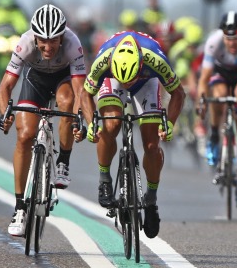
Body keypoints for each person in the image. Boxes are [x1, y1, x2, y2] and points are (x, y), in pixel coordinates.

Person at [79, 31, 186, 239]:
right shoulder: (104, 60)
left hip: (147, 82)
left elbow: (178, 93)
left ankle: (151, 200)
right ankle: (104, 179)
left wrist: (170, 124)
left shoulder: (154, 58)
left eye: (130, 80)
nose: (127, 85)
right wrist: (92, 124)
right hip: (112, 80)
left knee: (151, 145)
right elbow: (85, 93)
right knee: (110, 125)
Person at [0, 4, 85, 237]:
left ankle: (63, 161)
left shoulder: (73, 43)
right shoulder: (24, 43)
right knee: (25, 136)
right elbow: (6, 86)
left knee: (67, 104)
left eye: (53, 41)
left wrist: (79, 119)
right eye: (43, 41)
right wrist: (5, 114)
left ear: (62, 37)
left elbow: (80, 90)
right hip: (34, 81)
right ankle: (19, 208)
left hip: (63, 81)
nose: (47, 47)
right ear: (35, 37)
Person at [196, 11, 237, 208]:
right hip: (220, 74)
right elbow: (204, 79)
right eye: (228, 38)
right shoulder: (214, 42)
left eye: (235, 38)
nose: (232, 43)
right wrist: (201, 103)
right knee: (218, 94)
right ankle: (214, 133)